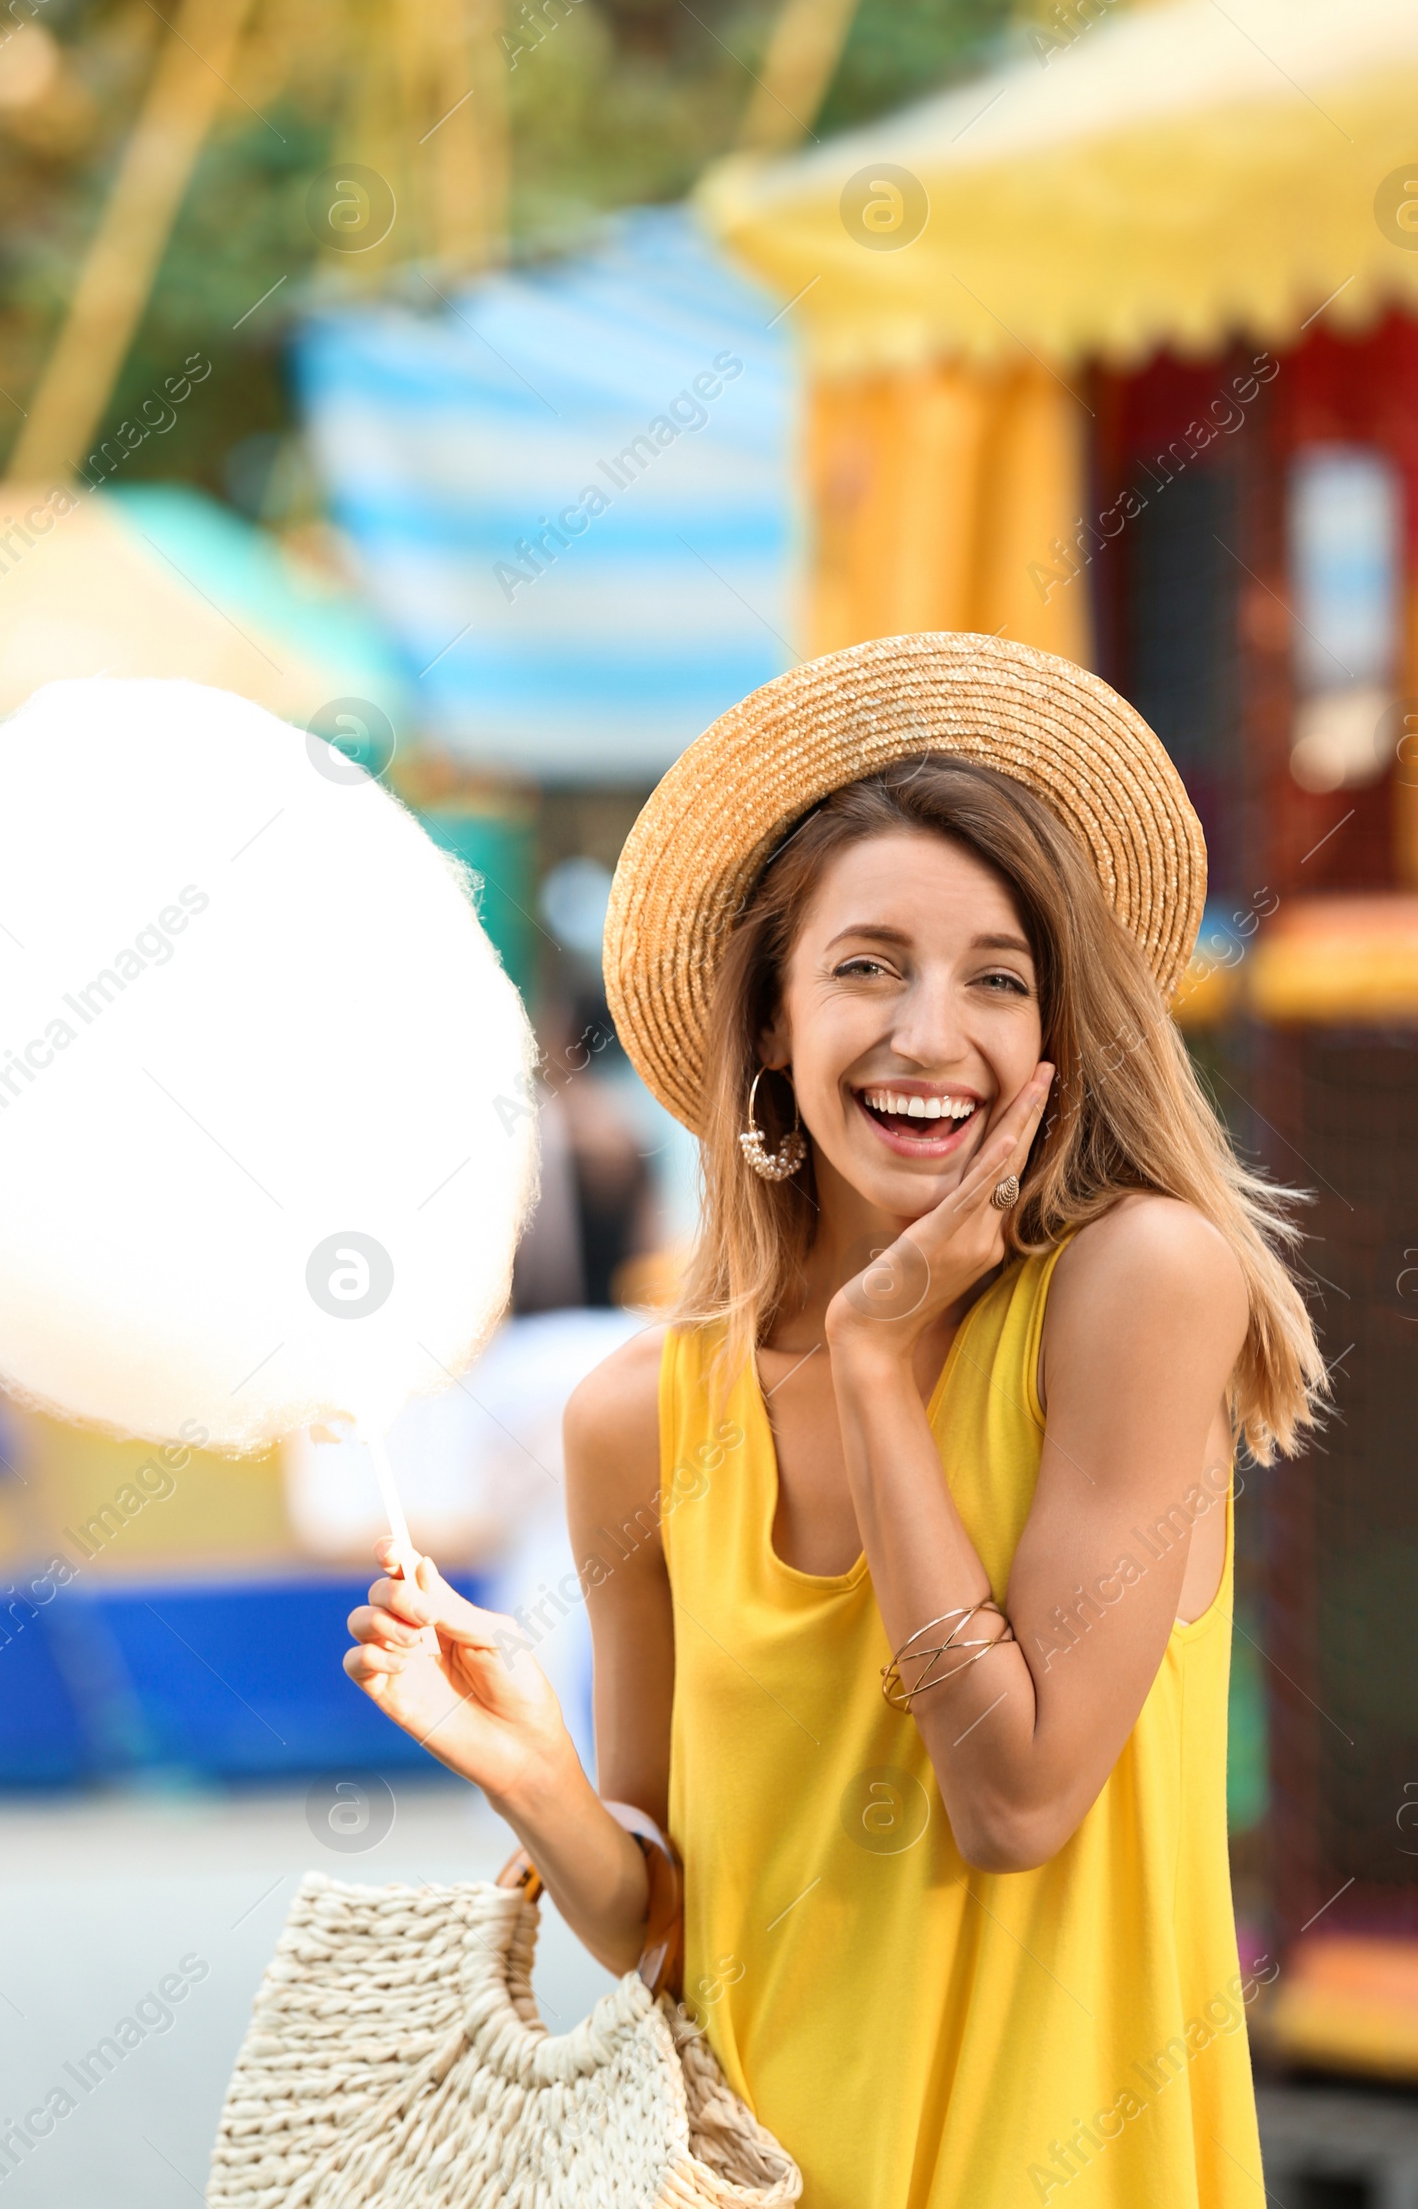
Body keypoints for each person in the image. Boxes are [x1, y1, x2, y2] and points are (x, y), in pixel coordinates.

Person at [342, 634, 1323, 2209]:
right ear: (776, 1022)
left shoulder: (1140, 1285)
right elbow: (672, 1927)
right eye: (868, 966)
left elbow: (1016, 1800)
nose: (930, 1036)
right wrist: (534, 1779)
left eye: (997, 978)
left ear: (1061, 1039)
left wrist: (876, 1370)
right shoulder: (635, 1422)